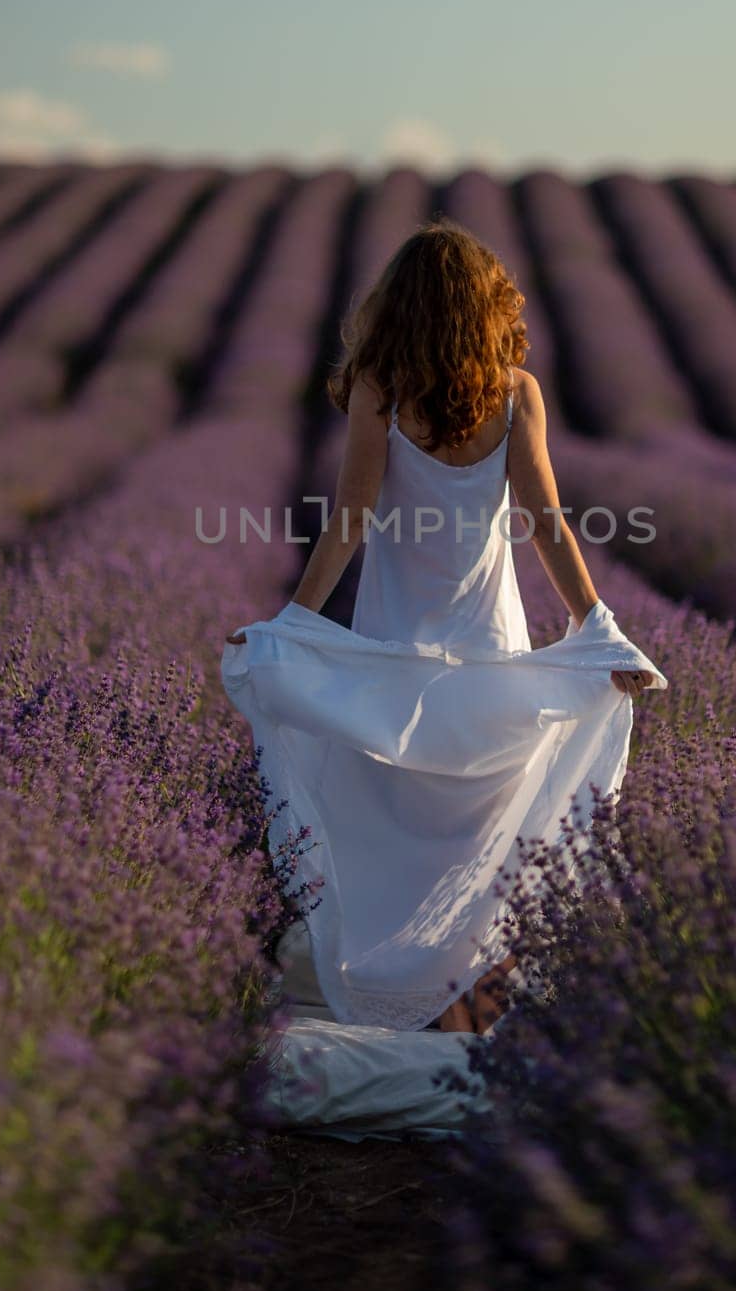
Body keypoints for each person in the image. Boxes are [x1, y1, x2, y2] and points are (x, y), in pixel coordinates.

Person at [223, 217, 666, 1036]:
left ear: (399, 308)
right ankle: (470, 1021)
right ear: (482, 307)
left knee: (391, 831)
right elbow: (547, 524)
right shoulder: (515, 391)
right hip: (491, 655)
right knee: (486, 843)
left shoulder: (379, 392)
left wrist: (293, 627)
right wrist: (596, 630)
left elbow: (349, 518)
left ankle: (391, 1001)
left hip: (395, 652)